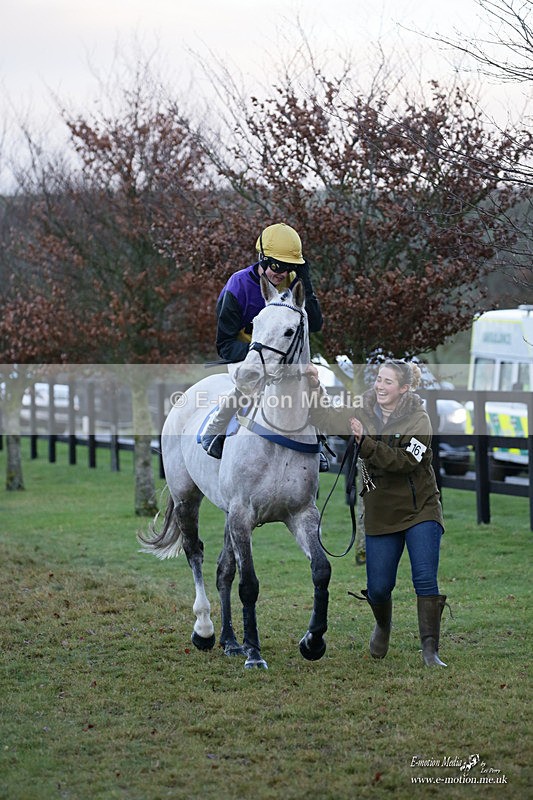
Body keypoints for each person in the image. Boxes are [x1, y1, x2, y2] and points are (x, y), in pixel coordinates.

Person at [306, 359, 448, 667]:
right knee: (379, 588)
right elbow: (324, 418)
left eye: (388, 382)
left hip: (420, 509)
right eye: (379, 379)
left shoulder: (419, 419)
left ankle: (430, 651)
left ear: (404, 388)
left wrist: (366, 444)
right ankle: (383, 626)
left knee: (425, 579)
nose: (380, 386)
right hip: (381, 512)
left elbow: (407, 461)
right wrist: (315, 386)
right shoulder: (362, 410)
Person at [201, 222, 325, 462]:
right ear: (262, 259)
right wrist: (261, 355)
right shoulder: (237, 287)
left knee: (310, 383)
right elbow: (224, 345)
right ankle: (215, 429)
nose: (281, 273)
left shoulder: (294, 282)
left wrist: (305, 280)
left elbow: (316, 324)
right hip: (245, 354)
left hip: (285, 357)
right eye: (276, 266)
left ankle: (318, 439)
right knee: (248, 384)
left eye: (289, 267)